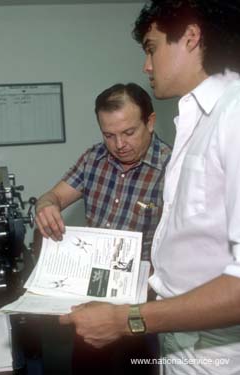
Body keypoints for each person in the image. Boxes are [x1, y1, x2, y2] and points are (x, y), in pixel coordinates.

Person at [59, 1, 240, 374]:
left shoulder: (234, 117)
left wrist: (126, 320)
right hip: (180, 340)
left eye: (151, 47)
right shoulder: (197, 123)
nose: (146, 65)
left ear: (190, 37)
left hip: (218, 351)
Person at [35, 82, 170, 374]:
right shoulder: (93, 159)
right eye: (109, 135)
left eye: (128, 132)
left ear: (150, 121)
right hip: (91, 302)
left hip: (139, 312)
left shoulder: (172, 169)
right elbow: (53, 195)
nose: (119, 144)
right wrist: (46, 206)